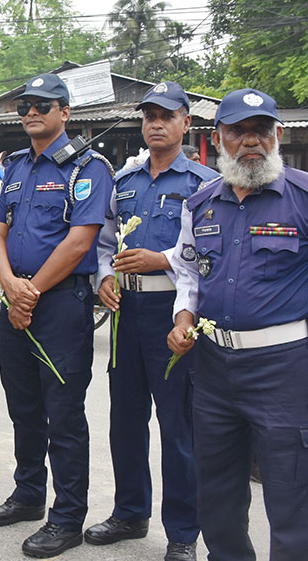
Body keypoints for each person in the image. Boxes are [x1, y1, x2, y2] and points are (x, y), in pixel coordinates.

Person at [166, 88, 308, 561]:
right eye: (238, 132)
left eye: (260, 131)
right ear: (220, 138)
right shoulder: (201, 205)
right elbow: (188, 272)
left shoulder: (304, 199)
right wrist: (183, 317)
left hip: (284, 368)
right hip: (213, 369)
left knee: (291, 496)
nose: (251, 141)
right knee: (217, 495)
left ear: (278, 135)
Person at [0, 72, 113, 558]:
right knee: (23, 407)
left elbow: (80, 239)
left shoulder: (88, 168)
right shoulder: (16, 166)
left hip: (59, 306)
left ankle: (67, 518)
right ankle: (28, 495)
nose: (31, 112)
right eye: (25, 107)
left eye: (43, 104)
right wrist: (10, 288)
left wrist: (31, 292)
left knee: (63, 413)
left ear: (65, 112)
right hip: (15, 299)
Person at [89, 82, 217, 561]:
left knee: (178, 426)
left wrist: (160, 258)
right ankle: (129, 512)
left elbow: (207, 251)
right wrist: (103, 276)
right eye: (149, 116)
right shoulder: (125, 180)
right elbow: (102, 242)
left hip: (173, 313)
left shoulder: (204, 183)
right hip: (126, 311)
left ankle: (183, 532)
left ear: (186, 122)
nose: (156, 124)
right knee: (125, 419)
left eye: (167, 115)